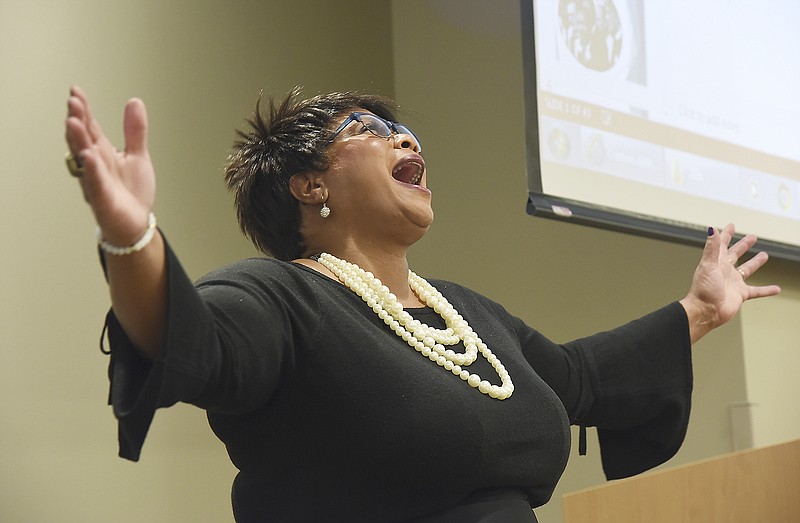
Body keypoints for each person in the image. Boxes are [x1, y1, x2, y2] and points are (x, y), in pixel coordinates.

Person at [64, 85, 780, 523]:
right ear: (309, 186)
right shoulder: (281, 296)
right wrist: (132, 237)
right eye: (364, 129)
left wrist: (700, 309)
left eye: (399, 129)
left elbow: (577, 377)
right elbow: (190, 338)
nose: (404, 137)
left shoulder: (468, 315)